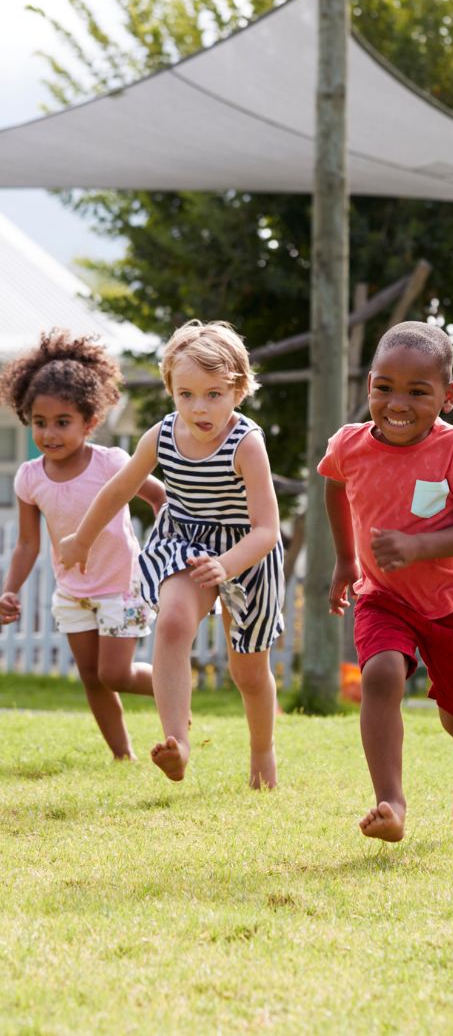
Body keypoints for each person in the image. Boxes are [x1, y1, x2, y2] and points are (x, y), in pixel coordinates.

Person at [58, 320, 284, 788]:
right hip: (185, 541)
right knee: (174, 622)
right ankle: (176, 743)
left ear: (238, 390)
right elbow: (119, 488)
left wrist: (228, 564)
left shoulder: (247, 443)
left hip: (246, 553)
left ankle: (262, 753)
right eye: (186, 395)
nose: (198, 408)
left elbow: (267, 529)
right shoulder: (161, 436)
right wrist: (82, 538)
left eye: (214, 394)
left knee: (249, 673)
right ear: (171, 391)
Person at [319, 321, 453, 842]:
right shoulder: (349, 445)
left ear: (448, 396)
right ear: (369, 384)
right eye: (384, 388)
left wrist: (417, 546)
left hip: (451, 605)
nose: (398, 403)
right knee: (379, 676)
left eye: (418, 392)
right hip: (384, 597)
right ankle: (390, 802)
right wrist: (347, 560)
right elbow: (334, 484)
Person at [0, 330, 164, 759]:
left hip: (121, 586)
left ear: (89, 422)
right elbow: (27, 545)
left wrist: (171, 545)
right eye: (39, 422)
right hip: (72, 591)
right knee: (92, 677)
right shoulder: (29, 478)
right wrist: (9, 590)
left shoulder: (111, 462)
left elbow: (159, 496)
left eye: (62, 422)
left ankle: (172, 691)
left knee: (116, 673)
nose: (49, 433)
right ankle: (121, 755)